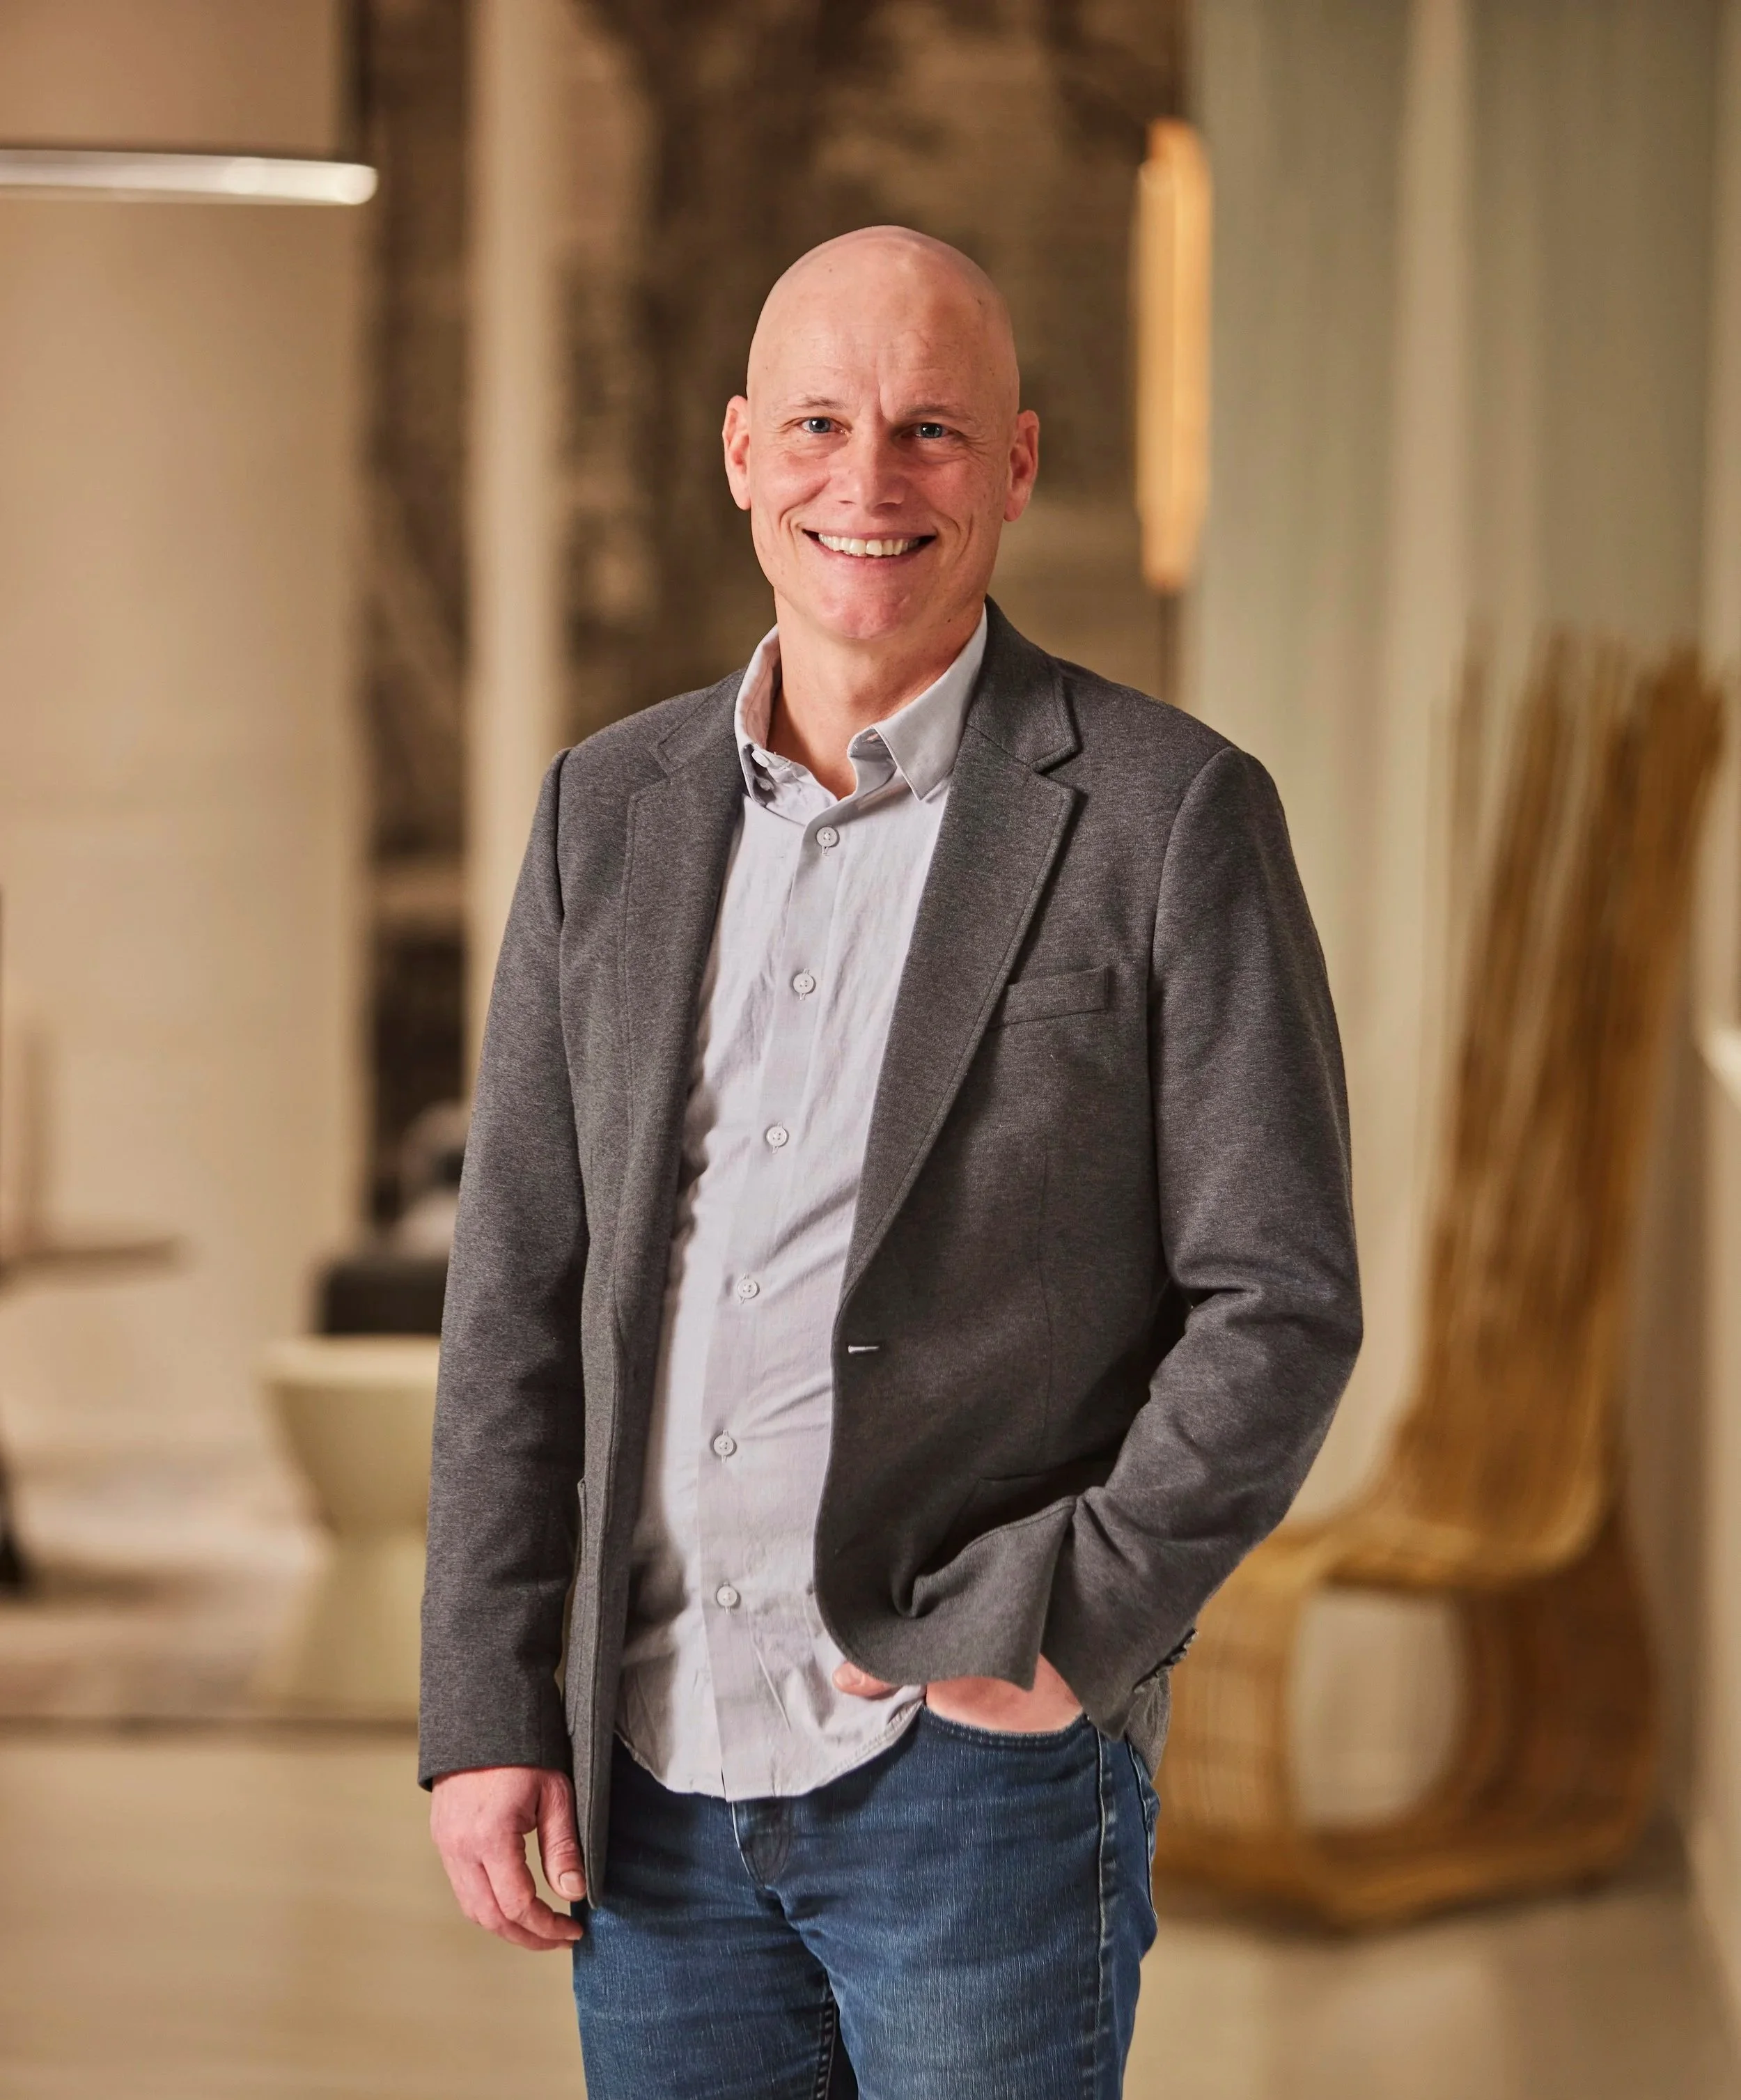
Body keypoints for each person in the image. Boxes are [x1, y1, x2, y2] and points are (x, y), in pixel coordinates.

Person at [420, 225, 1361, 2099]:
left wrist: (1066, 1622)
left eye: (930, 429)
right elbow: (519, 1282)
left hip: (975, 1782)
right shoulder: (605, 810)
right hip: (648, 1773)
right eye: (819, 424)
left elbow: (1277, 1295)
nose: (869, 481)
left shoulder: (1170, 814)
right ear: (739, 452)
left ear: (1015, 463)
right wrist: (484, 1703)